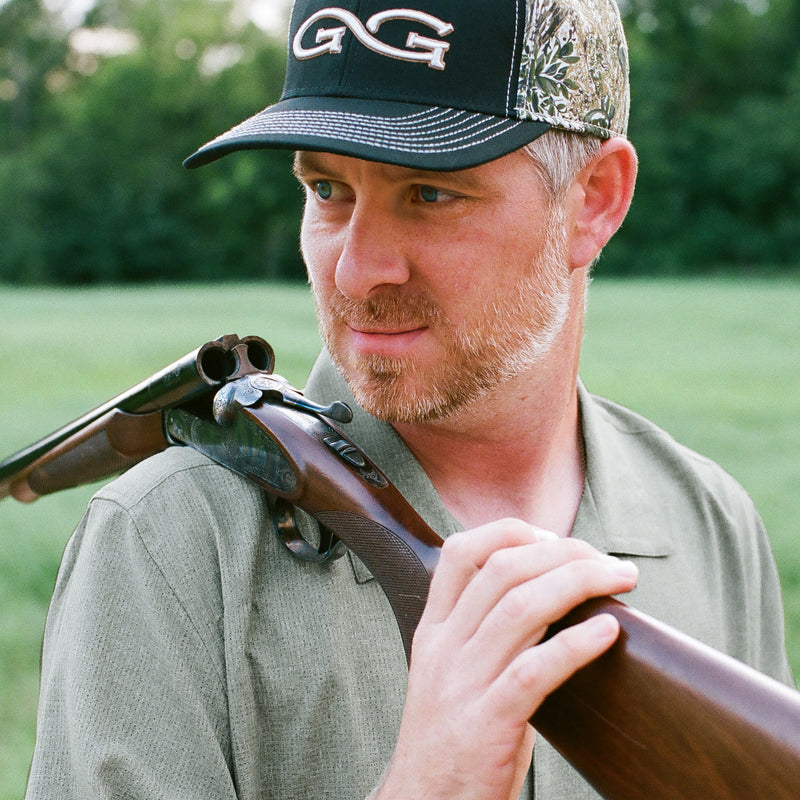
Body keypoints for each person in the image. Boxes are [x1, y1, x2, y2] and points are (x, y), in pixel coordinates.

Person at [26, 1, 793, 798]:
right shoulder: (166, 544)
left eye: (429, 194)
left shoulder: (710, 519)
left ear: (594, 198)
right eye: (328, 189)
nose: (357, 271)